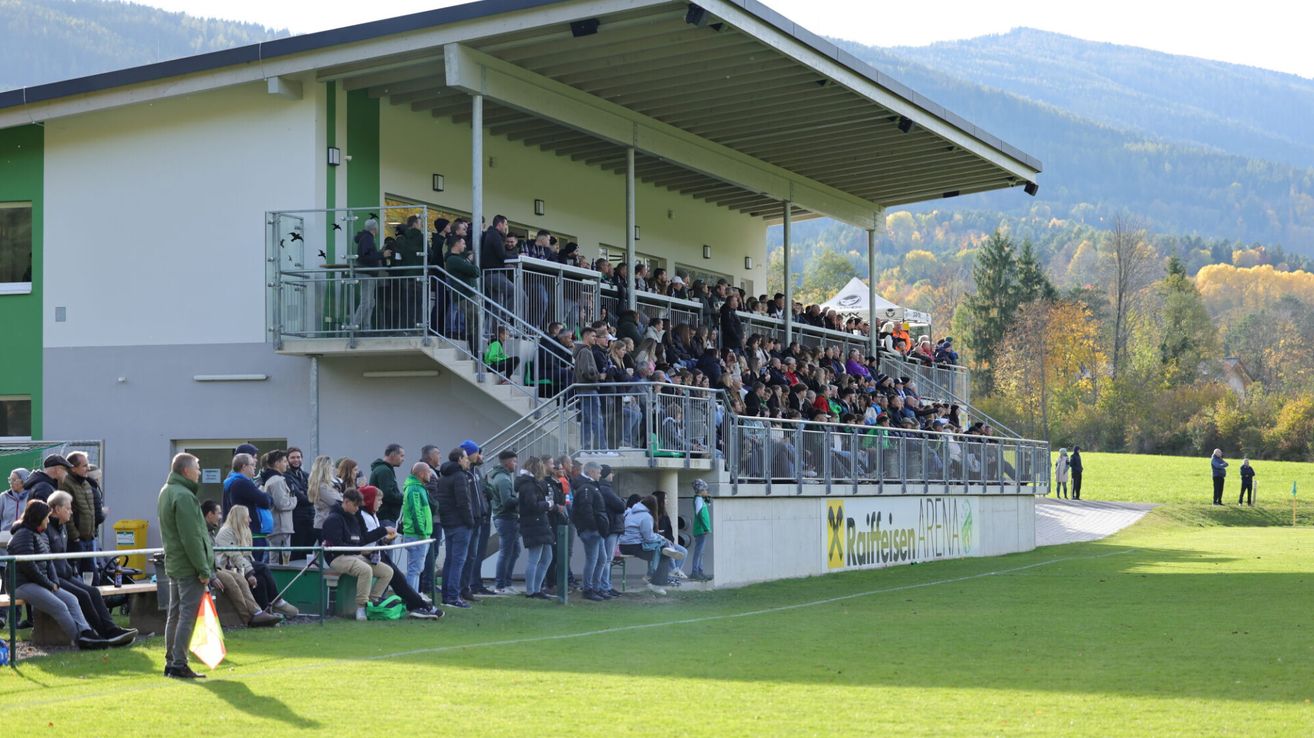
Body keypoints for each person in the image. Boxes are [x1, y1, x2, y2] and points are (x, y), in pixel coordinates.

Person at [7, 499, 110, 650]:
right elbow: (29, 567)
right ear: (38, 518)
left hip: (38, 582)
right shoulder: (23, 535)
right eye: (46, 517)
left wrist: (54, 582)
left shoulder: (41, 534)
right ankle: (80, 640)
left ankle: (87, 633)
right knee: (60, 606)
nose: (48, 521)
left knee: (72, 599)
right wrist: (49, 584)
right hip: (21, 584)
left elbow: (49, 562)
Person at [42, 491, 138, 646]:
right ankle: (103, 634)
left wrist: (70, 570)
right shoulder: (46, 529)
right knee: (84, 595)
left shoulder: (62, 528)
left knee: (93, 591)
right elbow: (47, 561)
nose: (71, 511)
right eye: (68, 508)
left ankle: (111, 629)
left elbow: (62, 556)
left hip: (64, 574)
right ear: (57, 509)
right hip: (53, 577)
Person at [158, 453, 215, 678]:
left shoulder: (167, 491)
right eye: (197, 468)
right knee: (187, 615)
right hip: (188, 565)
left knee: (175, 613)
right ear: (186, 471)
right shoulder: (184, 496)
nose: (199, 472)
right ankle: (179, 663)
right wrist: (203, 568)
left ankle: (171, 660)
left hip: (174, 562)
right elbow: (191, 537)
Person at [357, 486, 442, 620]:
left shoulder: (372, 515)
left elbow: (374, 539)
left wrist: (385, 540)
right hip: (369, 555)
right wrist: (384, 532)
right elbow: (365, 540)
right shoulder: (363, 516)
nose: (380, 503)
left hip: (376, 554)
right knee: (399, 579)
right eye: (378, 500)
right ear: (369, 500)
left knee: (399, 579)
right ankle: (419, 606)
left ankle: (419, 605)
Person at [319, 489, 397, 621]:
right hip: (336, 558)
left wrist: (382, 533)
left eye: (358, 506)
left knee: (387, 571)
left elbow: (362, 539)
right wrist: (360, 551)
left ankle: (373, 603)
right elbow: (336, 547)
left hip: (354, 555)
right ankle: (361, 607)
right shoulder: (333, 520)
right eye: (355, 505)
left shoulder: (355, 517)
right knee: (365, 570)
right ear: (346, 501)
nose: (357, 509)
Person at [201, 500, 280, 628]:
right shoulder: (208, 531)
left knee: (244, 579)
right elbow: (204, 556)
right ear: (210, 514)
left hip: (216, 567)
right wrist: (212, 576)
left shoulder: (212, 531)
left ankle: (259, 612)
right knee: (234, 581)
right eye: (219, 513)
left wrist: (249, 572)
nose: (221, 517)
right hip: (212, 569)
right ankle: (248, 617)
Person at [214, 505, 299, 618]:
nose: (250, 520)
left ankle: (265, 613)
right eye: (247, 517)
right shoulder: (225, 532)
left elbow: (248, 556)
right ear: (239, 518)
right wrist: (249, 573)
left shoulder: (245, 530)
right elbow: (235, 555)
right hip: (228, 568)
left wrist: (252, 573)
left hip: (240, 566)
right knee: (263, 567)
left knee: (261, 580)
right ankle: (277, 601)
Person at [435, 447, 475, 608]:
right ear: (459, 459)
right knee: (458, 561)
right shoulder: (459, 476)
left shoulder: (444, 476)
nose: (468, 461)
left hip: (448, 522)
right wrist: (470, 521)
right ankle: (453, 597)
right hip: (460, 523)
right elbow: (463, 502)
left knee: (450, 560)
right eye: (465, 458)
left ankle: (447, 596)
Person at [618, 494, 683, 595]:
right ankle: (657, 584)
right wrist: (660, 537)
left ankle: (668, 566)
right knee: (664, 554)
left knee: (663, 548)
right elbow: (648, 538)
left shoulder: (630, 512)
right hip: (634, 546)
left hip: (623, 546)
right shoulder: (646, 516)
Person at [460, 440, 496, 599]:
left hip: (479, 517)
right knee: (467, 556)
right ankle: (464, 588)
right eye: (478, 453)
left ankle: (469, 585)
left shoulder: (475, 472)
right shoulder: (465, 473)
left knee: (473, 555)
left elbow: (484, 490)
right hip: (471, 520)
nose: (480, 456)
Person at [571, 461, 611, 601]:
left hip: (595, 530)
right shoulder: (586, 488)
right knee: (593, 559)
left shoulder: (590, 487)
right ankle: (588, 589)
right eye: (599, 472)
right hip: (591, 531)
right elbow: (586, 509)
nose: (600, 475)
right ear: (592, 472)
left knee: (602, 559)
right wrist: (594, 527)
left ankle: (596, 587)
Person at [222, 453, 273, 562]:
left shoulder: (233, 482)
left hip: (246, 531)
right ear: (244, 467)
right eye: (252, 464)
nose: (255, 467)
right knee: (257, 567)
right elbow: (265, 501)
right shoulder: (242, 483)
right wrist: (267, 497)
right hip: (252, 532)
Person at [517, 457, 554, 600]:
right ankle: (531, 591)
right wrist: (548, 504)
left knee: (546, 558)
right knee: (534, 558)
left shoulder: (533, 484)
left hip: (540, 523)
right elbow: (532, 505)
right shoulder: (528, 485)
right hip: (534, 523)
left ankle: (537, 589)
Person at [488, 449, 521, 595]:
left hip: (508, 518)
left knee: (514, 551)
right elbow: (507, 501)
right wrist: (523, 498)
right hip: (505, 518)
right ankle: (500, 585)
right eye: (514, 461)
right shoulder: (502, 479)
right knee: (506, 552)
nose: (516, 464)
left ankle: (506, 582)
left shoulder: (505, 477)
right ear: (507, 462)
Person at [399, 462, 434, 592]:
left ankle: (414, 596)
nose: (430, 474)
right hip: (417, 535)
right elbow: (416, 512)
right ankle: (411, 599)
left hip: (418, 534)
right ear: (421, 473)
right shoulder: (414, 488)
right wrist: (422, 533)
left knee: (417, 569)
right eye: (428, 471)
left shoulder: (418, 487)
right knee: (414, 569)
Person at [259, 450, 296, 564]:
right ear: (276, 463)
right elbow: (281, 504)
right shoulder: (277, 481)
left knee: (274, 558)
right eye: (284, 461)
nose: (287, 464)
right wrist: (294, 500)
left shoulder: (270, 480)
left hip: (278, 526)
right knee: (281, 559)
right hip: (280, 526)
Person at [596, 465, 626, 598]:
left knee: (606, 559)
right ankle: (604, 586)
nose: (613, 475)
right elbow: (620, 505)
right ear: (606, 474)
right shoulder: (606, 489)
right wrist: (622, 502)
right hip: (611, 526)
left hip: (609, 526)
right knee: (607, 559)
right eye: (611, 473)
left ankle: (606, 585)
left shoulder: (602, 488)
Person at [284, 448, 316, 553]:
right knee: (297, 551)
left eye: (298, 457)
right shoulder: (285, 476)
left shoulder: (307, 475)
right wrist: (309, 496)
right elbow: (299, 497)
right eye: (292, 457)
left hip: (311, 518)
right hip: (296, 519)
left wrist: (307, 495)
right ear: (287, 459)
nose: (296, 460)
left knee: (308, 551)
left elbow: (315, 492)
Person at [369, 444, 405, 524]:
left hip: (384, 517)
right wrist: (405, 498)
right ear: (392, 455)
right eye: (401, 456)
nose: (403, 459)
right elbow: (388, 494)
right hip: (385, 517)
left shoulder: (383, 469)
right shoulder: (384, 471)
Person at [307, 455, 339, 543]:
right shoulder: (322, 487)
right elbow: (336, 502)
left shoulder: (328, 484)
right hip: (324, 523)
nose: (333, 469)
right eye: (331, 466)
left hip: (325, 522)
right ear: (326, 468)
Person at [689, 479, 712, 581]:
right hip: (700, 529)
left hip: (702, 529)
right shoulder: (698, 499)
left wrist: (707, 497)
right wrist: (705, 527)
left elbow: (708, 504)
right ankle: (695, 572)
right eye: (705, 490)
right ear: (701, 490)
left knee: (701, 552)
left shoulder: (700, 499)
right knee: (698, 552)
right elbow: (699, 514)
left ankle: (700, 571)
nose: (707, 491)